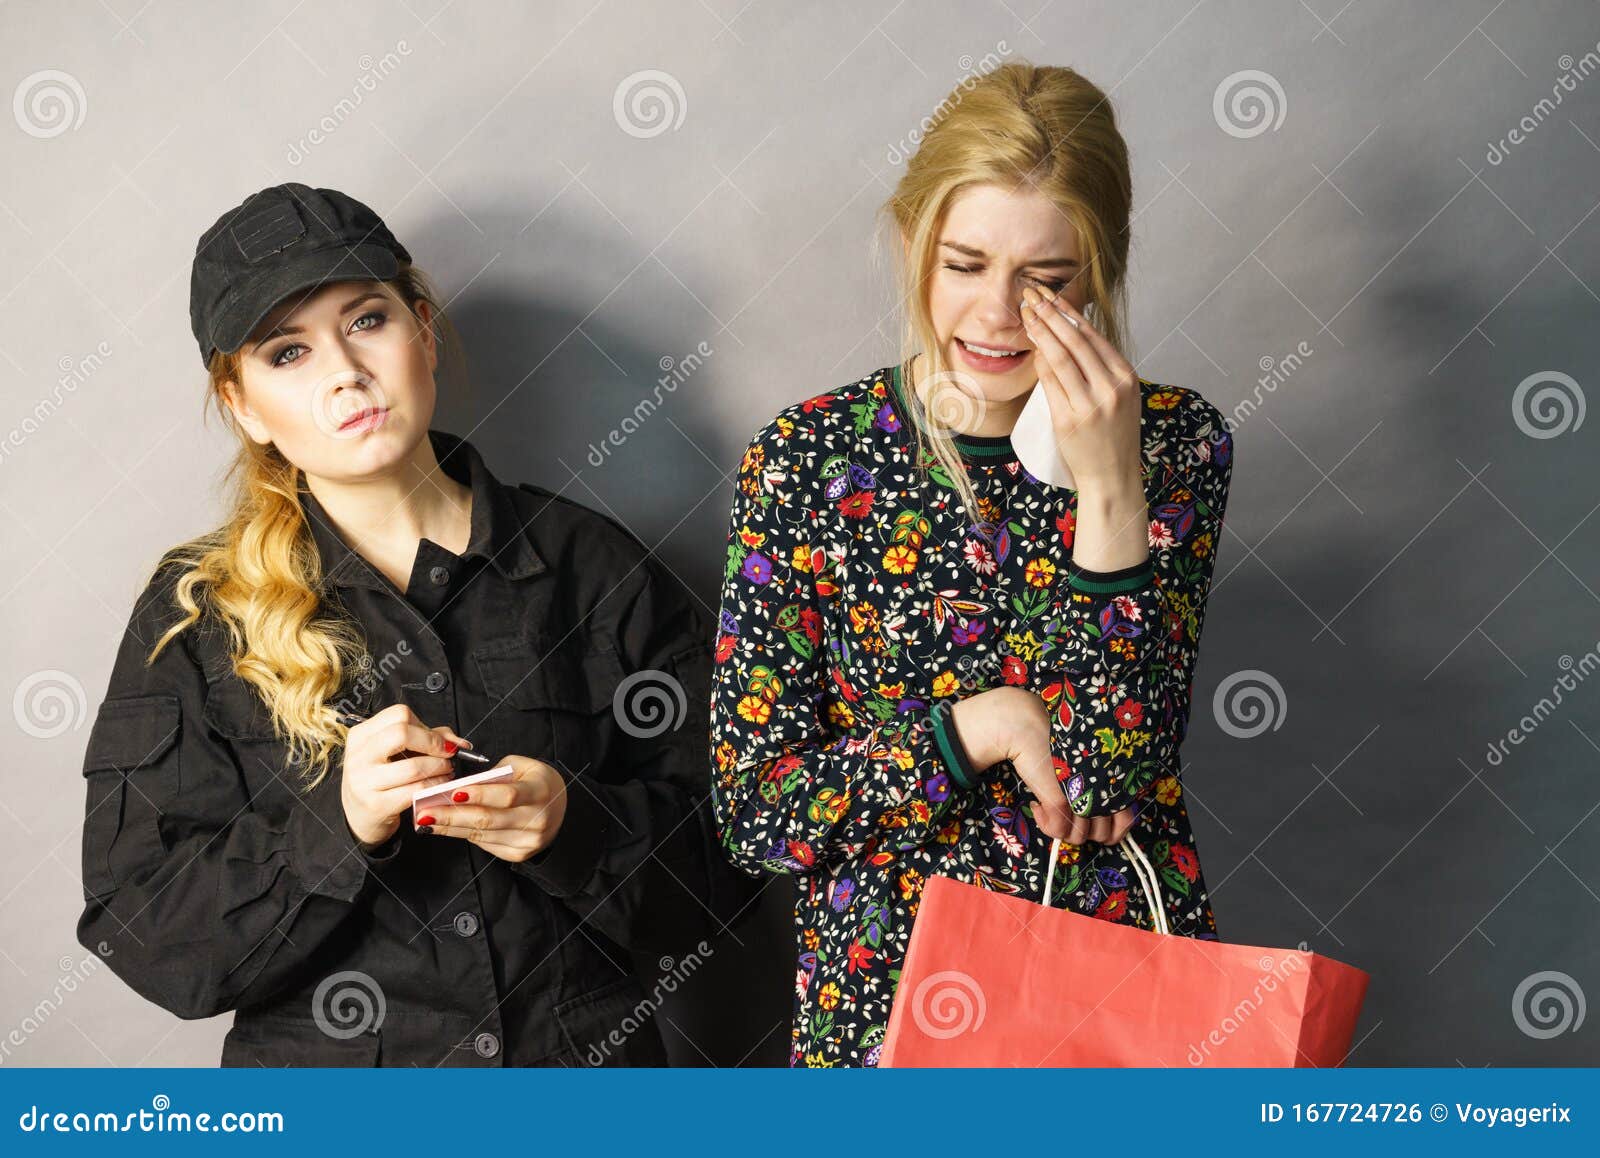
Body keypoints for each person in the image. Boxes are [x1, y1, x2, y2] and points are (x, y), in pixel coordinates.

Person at [77, 182, 755, 1066]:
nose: (345, 374)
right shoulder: (197, 617)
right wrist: (335, 824)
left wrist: (574, 829)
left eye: (366, 321)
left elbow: (743, 862)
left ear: (423, 331)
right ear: (242, 405)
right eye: (287, 353)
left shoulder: (595, 568)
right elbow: (147, 940)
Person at [708, 61, 1235, 1067]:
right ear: (911, 244)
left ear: (1102, 269)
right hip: (887, 1011)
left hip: (1116, 1009)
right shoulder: (810, 458)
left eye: (1046, 280)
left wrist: (1111, 495)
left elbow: (1110, 778)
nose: (997, 314)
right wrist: (973, 729)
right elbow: (760, 819)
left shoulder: (1172, 443)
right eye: (963, 264)